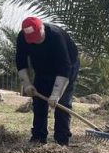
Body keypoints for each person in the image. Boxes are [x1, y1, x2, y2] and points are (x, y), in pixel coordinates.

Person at [15, 16, 80, 146]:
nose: (35, 42)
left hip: (67, 66)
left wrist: (56, 94)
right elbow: (20, 62)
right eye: (32, 40)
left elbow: (64, 67)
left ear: (42, 28)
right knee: (39, 101)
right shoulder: (22, 37)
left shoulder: (56, 36)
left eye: (38, 38)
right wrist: (27, 84)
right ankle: (38, 137)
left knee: (63, 103)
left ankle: (61, 140)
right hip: (42, 69)